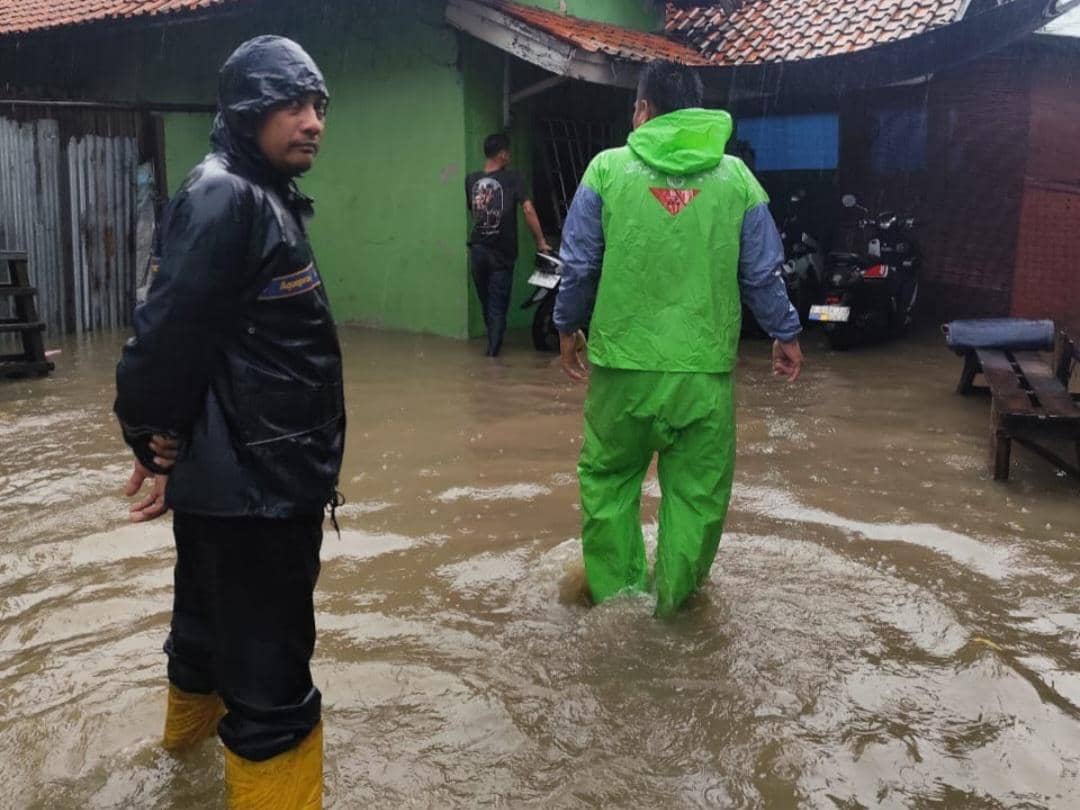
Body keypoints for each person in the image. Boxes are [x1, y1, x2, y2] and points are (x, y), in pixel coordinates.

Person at [115, 35, 344, 808]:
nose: (312, 121)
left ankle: (179, 777)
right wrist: (148, 436)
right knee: (274, 687)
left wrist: (166, 443)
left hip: (236, 482)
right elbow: (166, 332)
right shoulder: (227, 196)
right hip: (257, 495)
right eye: (292, 104)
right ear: (247, 112)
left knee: (207, 644)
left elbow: (205, 336)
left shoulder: (255, 192)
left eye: (317, 106)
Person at [554, 60, 804, 618]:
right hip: (703, 379)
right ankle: (670, 609)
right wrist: (785, 332)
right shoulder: (737, 179)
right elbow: (763, 273)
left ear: (643, 109)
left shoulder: (605, 171)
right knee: (696, 499)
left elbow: (578, 265)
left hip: (622, 373)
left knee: (608, 485)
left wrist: (566, 328)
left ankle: (618, 607)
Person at [466, 133, 551, 357]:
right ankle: (493, 357)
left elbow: (474, 212)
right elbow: (528, 209)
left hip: (477, 249)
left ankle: (492, 349)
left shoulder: (471, 180)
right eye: (508, 152)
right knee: (497, 305)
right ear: (502, 154)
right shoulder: (513, 178)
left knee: (487, 302)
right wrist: (541, 242)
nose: (510, 156)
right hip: (500, 253)